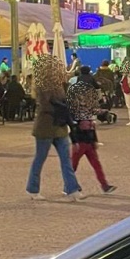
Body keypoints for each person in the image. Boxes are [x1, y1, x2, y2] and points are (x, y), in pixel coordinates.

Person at [27, 61, 82, 201]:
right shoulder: (42, 87)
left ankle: (72, 189)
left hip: (59, 126)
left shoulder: (60, 85)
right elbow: (46, 106)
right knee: (40, 158)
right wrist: (62, 107)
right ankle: (33, 189)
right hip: (45, 126)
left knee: (65, 159)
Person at [70, 116, 115, 194]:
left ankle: (104, 185)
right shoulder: (77, 115)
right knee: (73, 166)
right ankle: (69, 185)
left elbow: (92, 128)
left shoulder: (83, 114)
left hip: (88, 143)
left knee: (96, 165)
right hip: (81, 143)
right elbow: (72, 129)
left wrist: (94, 140)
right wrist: (75, 142)